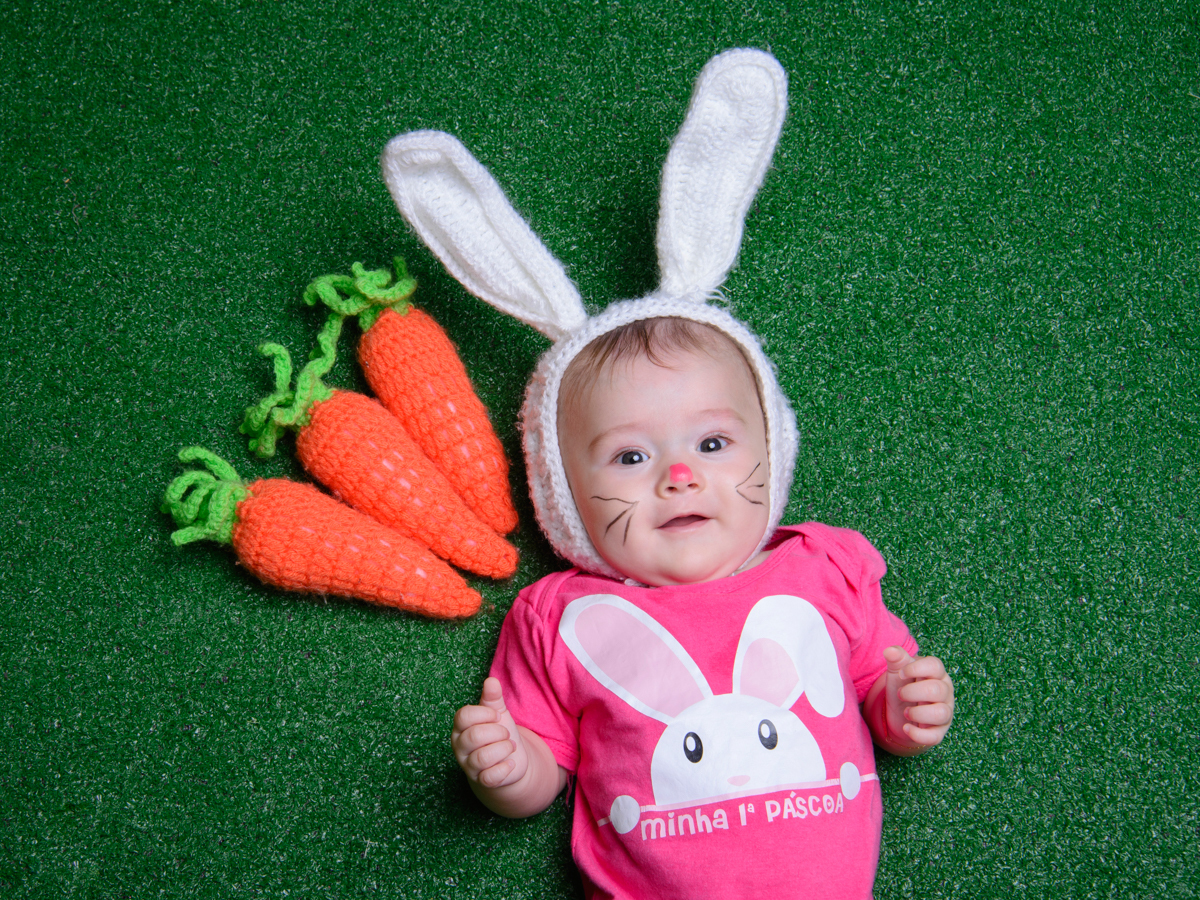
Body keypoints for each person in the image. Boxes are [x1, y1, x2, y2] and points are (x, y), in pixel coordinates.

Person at [451, 316, 955, 899]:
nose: (680, 477)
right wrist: (508, 769)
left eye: (712, 444)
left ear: (771, 448)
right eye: (630, 457)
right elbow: (540, 778)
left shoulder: (824, 568)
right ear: (563, 493)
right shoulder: (563, 618)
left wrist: (907, 708)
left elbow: (877, 694)